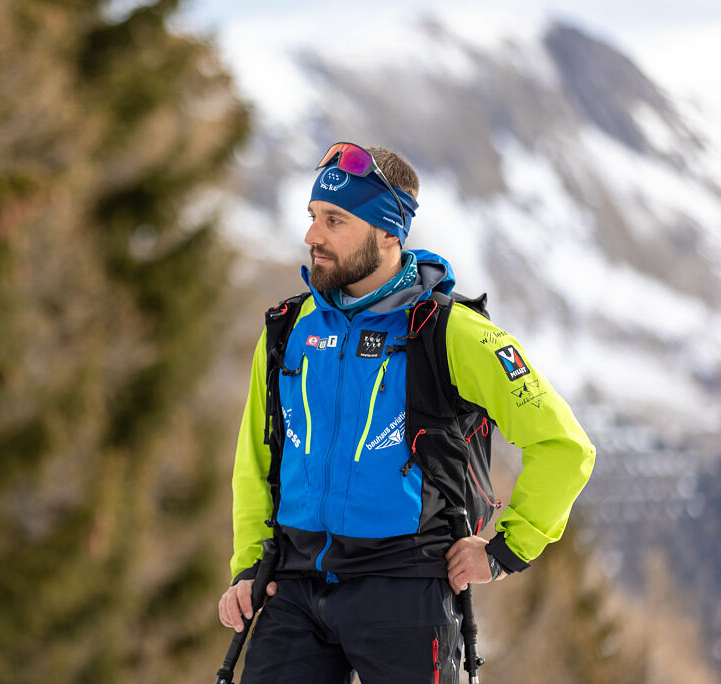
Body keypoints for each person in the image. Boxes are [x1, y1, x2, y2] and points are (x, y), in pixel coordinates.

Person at [218, 143, 595, 683]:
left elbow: (564, 446)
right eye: (312, 218)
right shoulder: (288, 329)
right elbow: (256, 459)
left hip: (406, 593)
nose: (312, 236)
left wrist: (506, 550)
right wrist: (250, 566)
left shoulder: (452, 333)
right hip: (294, 588)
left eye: (334, 220)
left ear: (389, 233)